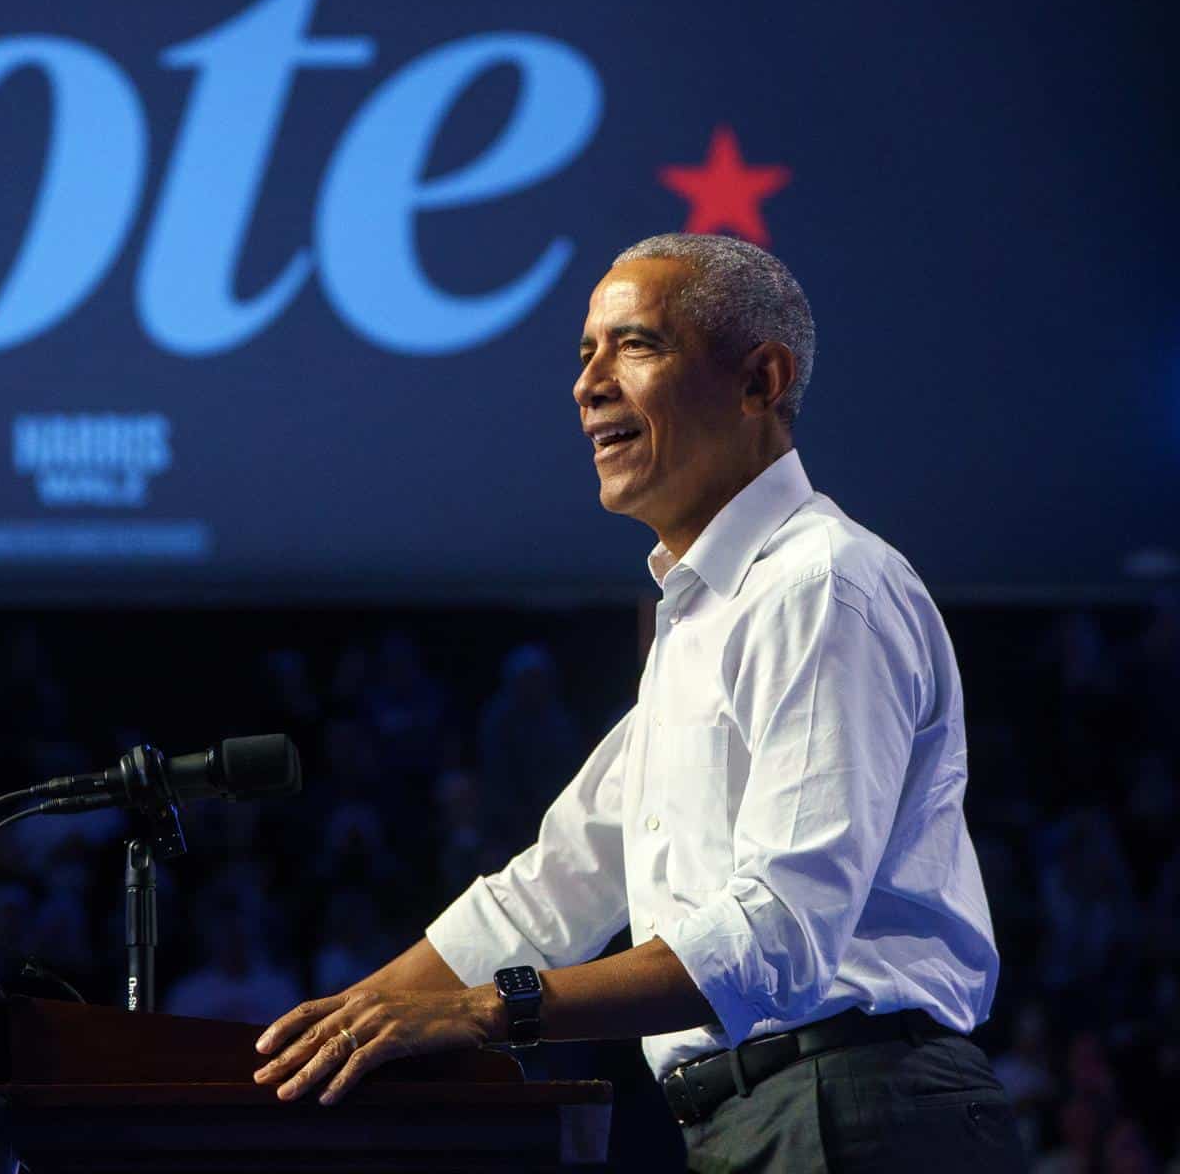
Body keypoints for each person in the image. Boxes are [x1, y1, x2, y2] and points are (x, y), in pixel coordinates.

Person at [252, 233, 1025, 1171]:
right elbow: (555, 884)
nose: (588, 385)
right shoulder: (705, 618)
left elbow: (779, 927)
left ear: (759, 381)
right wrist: (331, 1034)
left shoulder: (820, 586)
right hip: (762, 1119)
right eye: (584, 354)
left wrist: (495, 1010)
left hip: (853, 1114)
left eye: (636, 345)